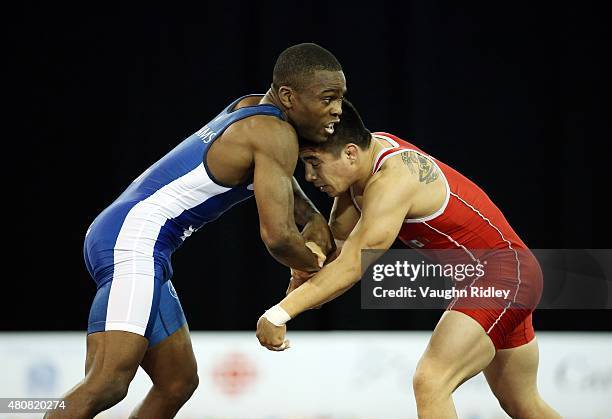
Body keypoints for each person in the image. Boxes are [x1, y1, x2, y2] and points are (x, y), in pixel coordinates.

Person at [47, 43, 345, 419]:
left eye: (341, 98)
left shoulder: (253, 108)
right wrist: (321, 271)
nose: (337, 109)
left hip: (133, 237)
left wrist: (313, 218)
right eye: (328, 98)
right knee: (107, 383)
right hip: (133, 241)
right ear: (288, 96)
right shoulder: (274, 133)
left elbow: (276, 179)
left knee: (177, 382)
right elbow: (279, 237)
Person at [256, 100, 561, 419]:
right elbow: (338, 247)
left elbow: (353, 264)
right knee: (523, 404)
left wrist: (280, 314)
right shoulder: (363, 162)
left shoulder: (393, 179)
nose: (308, 175)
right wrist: (303, 273)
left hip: (501, 278)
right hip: (508, 274)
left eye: (313, 163)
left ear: (349, 153)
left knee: (431, 382)